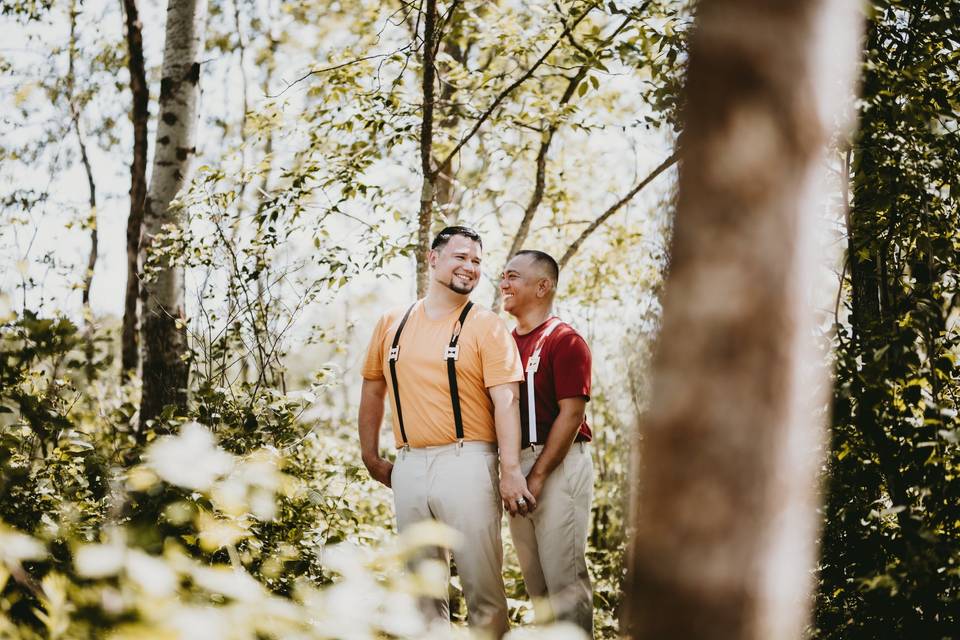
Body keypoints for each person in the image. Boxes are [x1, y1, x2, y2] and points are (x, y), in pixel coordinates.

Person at [358, 226, 535, 637]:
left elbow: (506, 401)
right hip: (409, 465)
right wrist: (370, 454)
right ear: (433, 258)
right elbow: (373, 388)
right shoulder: (391, 323)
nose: (470, 268)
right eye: (460, 257)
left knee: (482, 587)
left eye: (476, 261)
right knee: (422, 590)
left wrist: (510, 470)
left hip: (468, 460)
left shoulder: (487, 326)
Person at [499, 249, 594, 635]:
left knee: (565, 583)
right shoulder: (504, 344)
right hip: (516, 470)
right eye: (503, 276)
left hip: (558, 465)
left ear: (543, 286)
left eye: (513, 276)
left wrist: (536, 476)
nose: (503, 284)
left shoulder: (566, 340)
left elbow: (571, 415)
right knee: (537, 586)